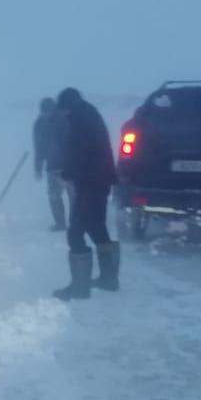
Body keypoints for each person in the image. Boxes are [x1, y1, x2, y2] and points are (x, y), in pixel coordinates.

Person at [53, 87, 120, 301]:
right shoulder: (89, 113)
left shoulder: (79, 118)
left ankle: (80, 288)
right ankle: (109, 280)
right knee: (96, 227)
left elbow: (80, 151)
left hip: (89, 181)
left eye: (62, 110)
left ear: (67, 106)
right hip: (100, 180)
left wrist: (67, 173)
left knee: (75, 232)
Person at [32, 97, 69, 231]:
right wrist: (38, 167)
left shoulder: (65, 120)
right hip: (52, 167)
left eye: (48, 111)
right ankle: (60, 223)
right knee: (54, 196)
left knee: (75, 197)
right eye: (43, 112)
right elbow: (38, 147)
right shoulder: (39, 125)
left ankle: (79, 223)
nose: (46, 114)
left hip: (70, 166)